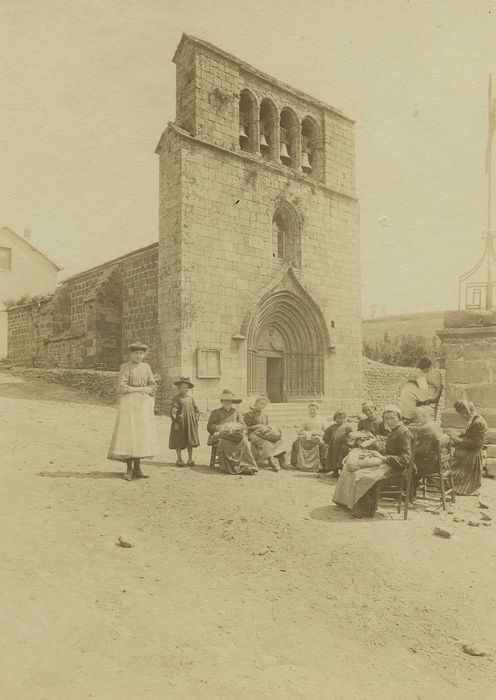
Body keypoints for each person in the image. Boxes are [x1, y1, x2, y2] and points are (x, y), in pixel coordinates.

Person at [335, 405, 414, 518]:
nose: (389, 421)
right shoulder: (394, 431)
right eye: (386, 419)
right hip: (389, 463)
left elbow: (405, 459)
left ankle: (364, 511)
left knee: (363, 476)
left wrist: (382, 458)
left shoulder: (404, 432)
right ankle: (348, 503)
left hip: (398, 468)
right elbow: (391, 445)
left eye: (392, 418)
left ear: (399, 418)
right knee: (353, 470)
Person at [107, 342, 158, 481]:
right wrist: (139, 389)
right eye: (136, 353)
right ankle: (129, 469)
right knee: (129, 434)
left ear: (144, 355)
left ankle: (138, 468)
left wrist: (148, 389)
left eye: (141, 353)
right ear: (131, 354)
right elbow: (122, 386)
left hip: (143, 405)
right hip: (129, 403)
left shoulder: (146, 367)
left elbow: (152, 385)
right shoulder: (125, 367)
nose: (138, 356)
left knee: (140, 435)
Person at [207, 390, 258, 475]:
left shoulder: (236, 412)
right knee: (224, 443)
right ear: (222, 401)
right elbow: (209, 427)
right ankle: (230, 468)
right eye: (225, 401)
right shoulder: (216, 412)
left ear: (232, 402)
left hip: (234, 435)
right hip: (221, 435)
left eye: (229, 401)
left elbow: (243, 425)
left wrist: (236, 427)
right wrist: (220, 427)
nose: (227, 403)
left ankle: (247, 466)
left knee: (244, 441)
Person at [451, 400, 488, 496]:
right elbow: (471, 435)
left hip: (473, 455)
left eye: (461, 414)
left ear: (466, 411)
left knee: (459, 484)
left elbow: (477, 444)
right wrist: (461, 435)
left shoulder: (478, 422)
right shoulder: (474, 420)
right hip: (470, 451)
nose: (461, 416)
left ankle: (466, 487)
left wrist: (458, 440)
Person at [243, 396, 286, 472]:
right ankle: (271, 462)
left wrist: (267, 429)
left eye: (264, 404)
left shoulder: (265, 415)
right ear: (256, 403)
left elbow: (268, 425)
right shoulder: (248, 414)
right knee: (264, 441)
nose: (262, 405)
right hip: (252, 434)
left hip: (262, 434)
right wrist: (256, 426)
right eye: (261, 403)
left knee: (279, 439)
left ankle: (281, 460)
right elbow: (245, 428)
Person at [168, 377, 200, 466]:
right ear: (179, 388)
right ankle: (179, 459)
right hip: (180, 423)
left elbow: (196, 410)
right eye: (182, 387)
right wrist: (175, 422)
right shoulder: (176, 399)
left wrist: (196, 418)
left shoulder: (191, 398)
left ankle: (190, 459)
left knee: (190, 441)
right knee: (179, 441)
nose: (184, 389)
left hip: (190, 423)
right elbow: (173, 411)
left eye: (186, 387)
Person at [412, 406, 448, 477]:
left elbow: (424, 451)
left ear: (423, 415)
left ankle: (410, 486)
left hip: (431, 463)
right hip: (439, 459)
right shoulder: (434, 424)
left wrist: (411, 451)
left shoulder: (425, 428)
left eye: (417, 417)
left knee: (406, 465)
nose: (415, 419)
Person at [290, 403, 327, 471]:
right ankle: (295, 462)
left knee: (322, 444)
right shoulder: (305, 418)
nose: (312, 411)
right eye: (310, 409)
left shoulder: (321, 419)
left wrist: (318, 434)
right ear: (308, 410)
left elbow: (326, 430)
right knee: (296, 443)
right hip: (307, 435)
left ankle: (323, 462)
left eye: (314, 409)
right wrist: (305, 432)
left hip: (318, 435)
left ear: (317, 410)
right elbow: (300, 429)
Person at [322, 411, 353, 475]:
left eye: (342, 418)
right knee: (333, 458)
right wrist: (329, 442)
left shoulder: (347, 427)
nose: (340, 420)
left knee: (342, 458)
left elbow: (351, 436)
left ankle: (342, 471)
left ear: (344, 419)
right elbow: (325, 437)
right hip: (333, 446)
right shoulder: (331, 427)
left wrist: (347, 442)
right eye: (338, 418)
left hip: (343, 447)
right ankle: (335, 471)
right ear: (335, 419)